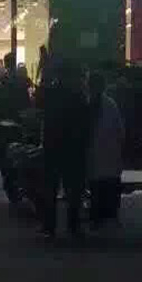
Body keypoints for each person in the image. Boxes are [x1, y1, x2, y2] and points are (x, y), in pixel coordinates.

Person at [40, 59, 91, 239]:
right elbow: (84, 124)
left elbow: (44, 116)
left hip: (53, 146)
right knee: (74, 189)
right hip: (73, 148)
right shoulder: (79, 96)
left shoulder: (51, 93)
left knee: (50, 188)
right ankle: (73, 226)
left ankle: (49, 226)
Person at [86, 71, 125, 230]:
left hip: (96, 153)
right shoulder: (110, 104)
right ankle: (110, 215)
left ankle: (98, 217)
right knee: (109, 182)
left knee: (97, 184)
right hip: (109, 152)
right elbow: (120, 130)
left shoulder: (88, 104)